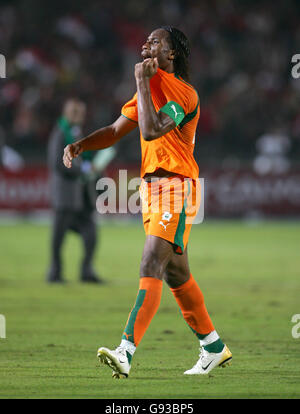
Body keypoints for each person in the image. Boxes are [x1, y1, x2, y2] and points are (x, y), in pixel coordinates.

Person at [63, 27, 232, 376]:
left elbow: (152, 130)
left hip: (177, 187)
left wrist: (142, 81)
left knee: (150, 263)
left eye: (155, 42)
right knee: (175, 273)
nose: (145, 45)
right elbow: (113, 132)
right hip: (151, 191)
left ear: (171, 55)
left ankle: (125, 351)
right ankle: (213, 346)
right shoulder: (148, 89)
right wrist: (81, 144)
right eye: (146, 41)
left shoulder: (184, 93)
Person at [47, 98, 104, 284]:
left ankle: (86, 271)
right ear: (70, 113)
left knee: (90, 232)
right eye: (77, 112)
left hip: (79, 196)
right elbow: (57, 164)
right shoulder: (60, 133)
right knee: (59, 235)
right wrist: (84, 170)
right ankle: (54, 272)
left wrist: (92, 167)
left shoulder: (74, 133)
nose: (81, 116)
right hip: (64, 195)